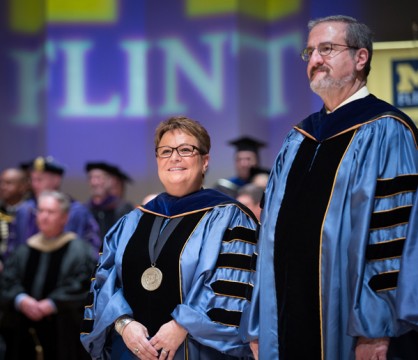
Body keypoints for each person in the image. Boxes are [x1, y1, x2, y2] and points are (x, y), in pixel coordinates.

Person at [243, 15, 418, 360]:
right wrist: (261, 322)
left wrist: (376, 328)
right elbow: (270, 238)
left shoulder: (388, 130)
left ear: (360, 58)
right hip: (285, 324)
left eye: (327, 49)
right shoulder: (298, 138)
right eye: (310, 52)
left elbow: (396, 239)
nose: (315, 60)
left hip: (356, 331)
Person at [80, 116, 258, 359]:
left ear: (205, 161)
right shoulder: (131, 222)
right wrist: (123, 323)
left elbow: (232, 289)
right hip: (131, 350)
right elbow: (105, 280)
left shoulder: (231, 218)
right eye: (165, 151)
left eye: (186, 150)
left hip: (198, 350)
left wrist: (182, 325)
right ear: (157, 160)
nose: (174, 157)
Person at [0, 190, 96, 360]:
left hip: (64, 329)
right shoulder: (24, 250)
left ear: (64, 218)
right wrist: (21, 299)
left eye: (51, 212)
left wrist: (52, 303)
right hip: (23, 329)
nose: (44, 216)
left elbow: (83, 285)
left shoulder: (80, 251)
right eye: (41, 211)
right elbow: (8, 281)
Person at [7, 156, 101, 258]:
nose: (35, 185)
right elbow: (12, 249)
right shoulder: (23, 210)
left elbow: (92, 249)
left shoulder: (76, 211)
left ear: (56, 180)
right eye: (32, 179)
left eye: (40, 179)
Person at [85, 162, 134, 238]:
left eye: (98, 178)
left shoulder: (123, 208)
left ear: (110, 181)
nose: (94, 182)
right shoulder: (85, 210)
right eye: (91, 178)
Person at [0, 167, 30, 269]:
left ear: (22, 187)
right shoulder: (1, 210)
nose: (3, 187)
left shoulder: (32, 213)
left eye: (8, 183)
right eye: (1, 182)